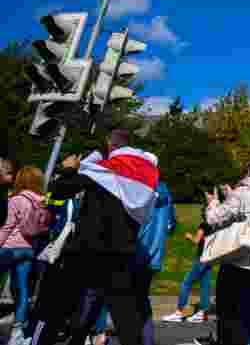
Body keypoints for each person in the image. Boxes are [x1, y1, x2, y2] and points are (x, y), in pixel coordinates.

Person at [46, 129, 159, 345]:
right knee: (125, 316)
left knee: (65, 307)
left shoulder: (102, 171)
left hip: (89, 250)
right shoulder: (142, 173)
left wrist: (69, 169)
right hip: (122, 251)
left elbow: (60, 190)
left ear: (110, 146)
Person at [86, 181, 176, 345]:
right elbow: (171, 224)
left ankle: (100, 335)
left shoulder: (136, 187)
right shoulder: (164, 190)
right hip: (153, 254)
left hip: (132, 251)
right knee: (141, 300)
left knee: (114, 298)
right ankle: (145, 340)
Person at [205, 159, 250, 345]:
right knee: (248, 313)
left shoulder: (241, 193)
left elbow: (214, 219)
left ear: (248, 171)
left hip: (235, 256)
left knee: (227, 312)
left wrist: (213, 203)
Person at [0, 166, 49, 345]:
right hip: (28, 249)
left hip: (9, 248)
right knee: (22, 291)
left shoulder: (17, 199)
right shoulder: (43, 200)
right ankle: (17, 333)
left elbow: (7, 226)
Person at [163, 189, 215, 323]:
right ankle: (202, 312)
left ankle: (179, 312)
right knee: (204, 285)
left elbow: (197, 240)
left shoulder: (204, 225)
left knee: (186, 282)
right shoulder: (216, 225)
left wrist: (189, 236)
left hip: (202, 258)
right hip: (211, 258)